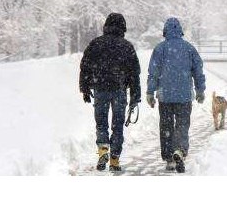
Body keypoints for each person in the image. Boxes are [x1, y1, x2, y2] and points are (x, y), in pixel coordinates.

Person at [79, 13, 141, 172]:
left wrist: (85, 88)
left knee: (101, 123)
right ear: (123, 27)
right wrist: (135, 96)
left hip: (100, 89)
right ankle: (114, 159)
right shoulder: (127, 46)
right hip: (119, 90)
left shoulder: (95, 44)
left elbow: (85, 66)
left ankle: (103, 150)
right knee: (118, 125)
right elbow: (134, 73)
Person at [146, 17, 206, 173]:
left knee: (166, 126)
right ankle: (179, 149)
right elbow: (198, 71)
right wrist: (200, 90)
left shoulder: (160, 49)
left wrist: (150, 92)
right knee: (182, 125)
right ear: (180, 31)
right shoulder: (189, 48)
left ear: (165, 31)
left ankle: (169, 159)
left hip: (165, 96)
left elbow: (153, 72)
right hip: (184, 96)